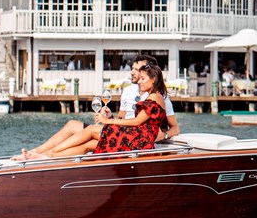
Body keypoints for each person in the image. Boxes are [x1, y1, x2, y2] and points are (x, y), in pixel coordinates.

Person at [14, 55, 178, 160]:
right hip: (126, 132)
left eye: (141, 74)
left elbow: (140, 122)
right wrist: (111, 117)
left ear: (153, 77)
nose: (136, 76)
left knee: (93, 130)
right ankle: (45, 154)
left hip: (135, 137)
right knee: (83, 138)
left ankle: (47, 155)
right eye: (135, 71)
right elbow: (124, 119)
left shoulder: (158, 97)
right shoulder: (130, 92)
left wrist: (161, 135)